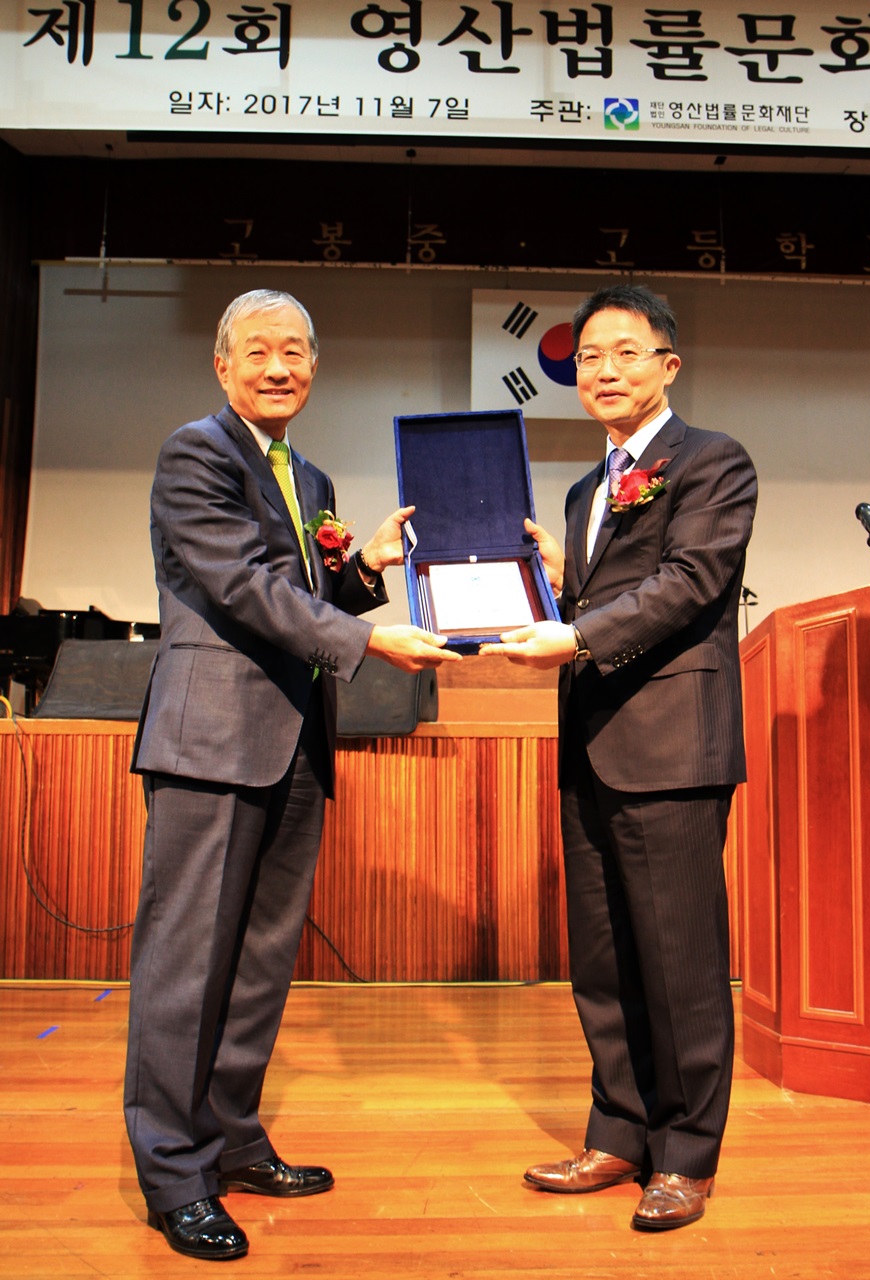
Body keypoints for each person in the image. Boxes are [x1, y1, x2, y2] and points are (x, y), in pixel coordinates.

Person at [123, 288, 461, 1261]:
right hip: (212, 740)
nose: (280, 367)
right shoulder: (197, 451)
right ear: (223, 365)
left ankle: (231, 1137)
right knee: (187, 964)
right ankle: (173, 1172)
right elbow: (235, 581)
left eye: (297, 352)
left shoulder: (304, 473)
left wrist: (363, 568)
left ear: (314, 366)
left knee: (260, 960)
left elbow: (300, 591)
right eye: (260, 351)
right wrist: (362, 630)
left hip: (297, 741)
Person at [481, 284, 757, 1231]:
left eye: (627, 353)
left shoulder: (714, 463)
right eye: (590, 355)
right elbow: (602, 597)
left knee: (679, 959)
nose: (604, 370)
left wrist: (576, 634)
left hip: (672, 748)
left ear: (668, 366)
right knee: (601, 959)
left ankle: (686, 1155)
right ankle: (619, 1130)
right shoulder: (583, 489)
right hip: (591, 745)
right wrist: (549, 582)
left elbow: (686, 584)